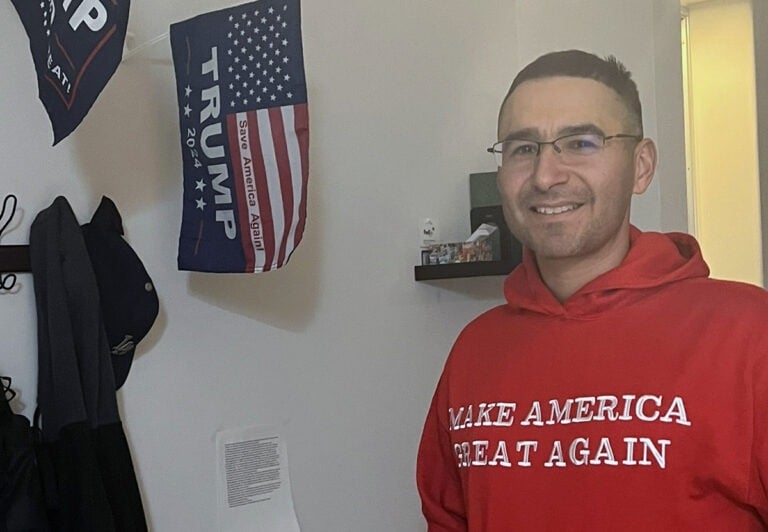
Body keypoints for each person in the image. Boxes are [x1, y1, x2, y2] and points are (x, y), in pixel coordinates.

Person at [416, 49, 768, 531]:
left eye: (581, 143)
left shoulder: (748, 333)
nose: (545, 176)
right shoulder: (475, 350)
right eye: (523, 148)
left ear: (641, 166)